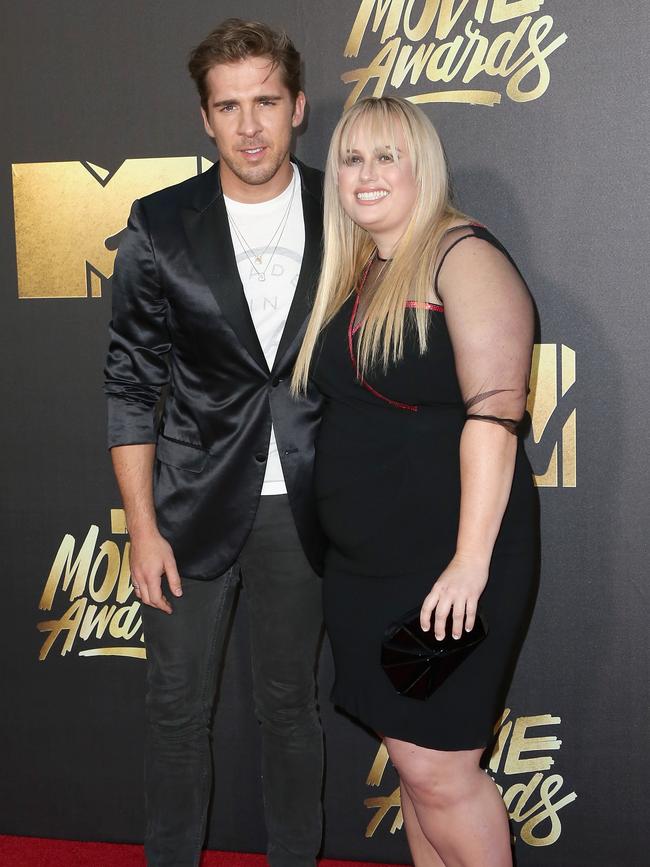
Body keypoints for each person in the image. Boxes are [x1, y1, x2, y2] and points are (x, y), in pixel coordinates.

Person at [292, 96, 539, 867]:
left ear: (422, 166)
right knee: (414, 767)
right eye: (352, 159)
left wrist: (468, 563)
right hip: (367, 570)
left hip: (448, 565)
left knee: (439, 769)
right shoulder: (360, 268)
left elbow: (496, 419)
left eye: (386, 156)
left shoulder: (461, 256)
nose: (366, 174)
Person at [104, 19, 325, 867]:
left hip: (304, 509)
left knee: (291, 709)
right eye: (228, 106)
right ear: (205, 118)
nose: (249, 125)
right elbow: (130, 382)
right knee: (174, 709)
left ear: (298, 107)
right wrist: (141, 526)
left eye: (265, 100)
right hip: (188, 507)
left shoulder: (342, 207)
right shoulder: (159, 224)